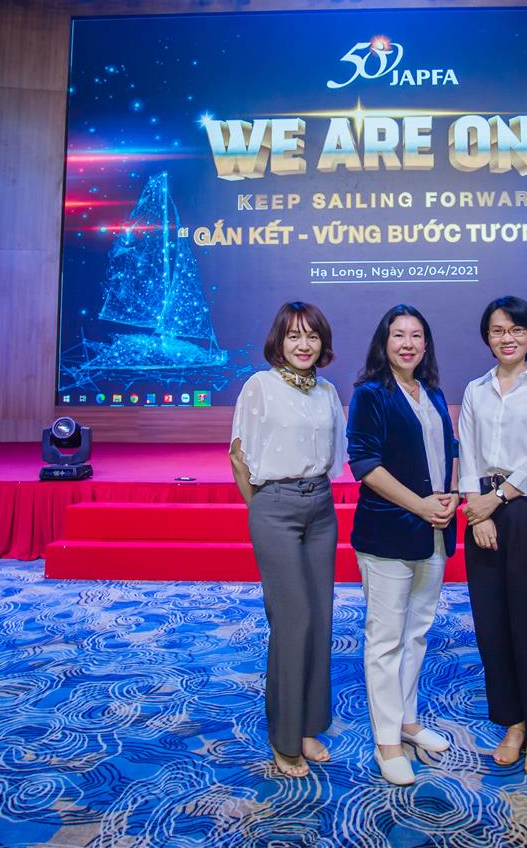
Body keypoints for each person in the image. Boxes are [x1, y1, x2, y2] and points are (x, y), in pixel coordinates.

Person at [228, 301, 347, 778]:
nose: (304, 345)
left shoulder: (327, 392)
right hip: (274, 506)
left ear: (322, 344)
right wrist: (262, 509)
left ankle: (308, 725)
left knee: (319, 617)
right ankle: (283, 736)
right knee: (293, 619)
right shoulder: (259, 386)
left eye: (312, 337)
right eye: (294, 336)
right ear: (279, 341)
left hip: (321, 507)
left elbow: (334, 457)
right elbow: (239, 458)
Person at [346, 303, 460, 786]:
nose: (408, 343)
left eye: (416, 335)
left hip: (434, 530)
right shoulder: (370, 394)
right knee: (385, 638)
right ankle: (387, 741)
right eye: (398, 335)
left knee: (417, 633)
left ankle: (409, 723)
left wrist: (449, 501)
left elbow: (446, 454)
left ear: (426, 344)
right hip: (388, 532)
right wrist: (420, 505)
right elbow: (365, 465)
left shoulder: (430, 393)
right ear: (384, 343)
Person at [457, 295, 527, 776]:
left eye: (516, 330)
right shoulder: (475, 390)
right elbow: (466, 452)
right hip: (482, 508)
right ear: (487, 337)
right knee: (492, 622)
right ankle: (513, 722)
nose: (507, 338)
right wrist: (475, 513)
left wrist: (496, 501)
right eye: (498, 330)